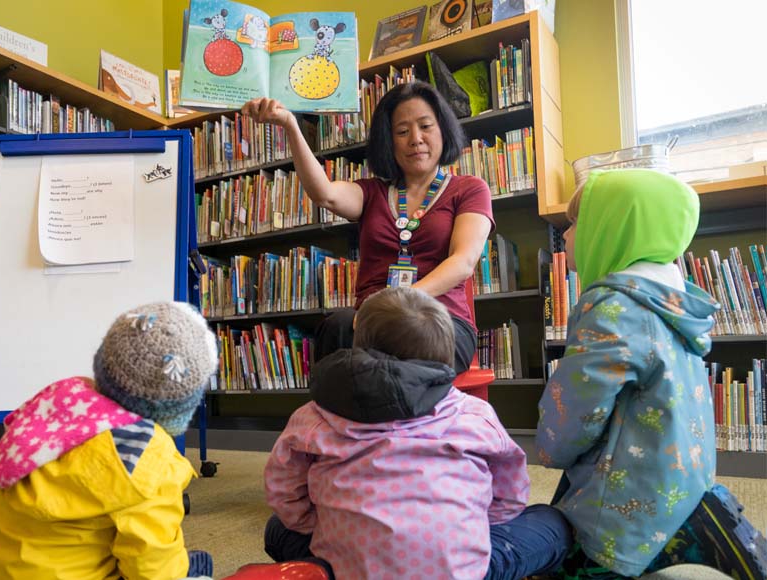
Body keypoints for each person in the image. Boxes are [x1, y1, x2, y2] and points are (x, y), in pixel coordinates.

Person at [535, 169, 767, 579]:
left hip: (623, 508)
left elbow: (574, 410)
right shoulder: (673, 303)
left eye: (575, 223)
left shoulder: (612, 307)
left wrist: (549, 447)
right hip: (678, 488)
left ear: (614, 230)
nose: (567, 236)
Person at [263, 286, 572, 580]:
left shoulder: (312, 416)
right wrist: (468, 528)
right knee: (554, 524)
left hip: (347, 569)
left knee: (277, 529)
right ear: (446, 354)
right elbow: (511, 494)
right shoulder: (473, 414)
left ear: (357, 345)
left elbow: (283, 491)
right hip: (460, 571)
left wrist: (323, 526)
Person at [242, 81, 494, 374]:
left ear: (443, 131)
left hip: (439, 320)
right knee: (335, 329)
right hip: (368, 324)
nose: (415, 139)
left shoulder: (470, 189)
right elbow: (324, 193)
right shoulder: (371, 192)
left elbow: (463, 262)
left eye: (425, 126)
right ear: (389, 140)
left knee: (394, 356)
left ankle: (376, 416)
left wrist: (395, 305)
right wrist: (290, 126)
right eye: (402, 131)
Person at [0, 301, 218, 580]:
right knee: (197, 565)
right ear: (180, 405)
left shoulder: (62, 400)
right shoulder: (148, 457)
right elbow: (152, 567)